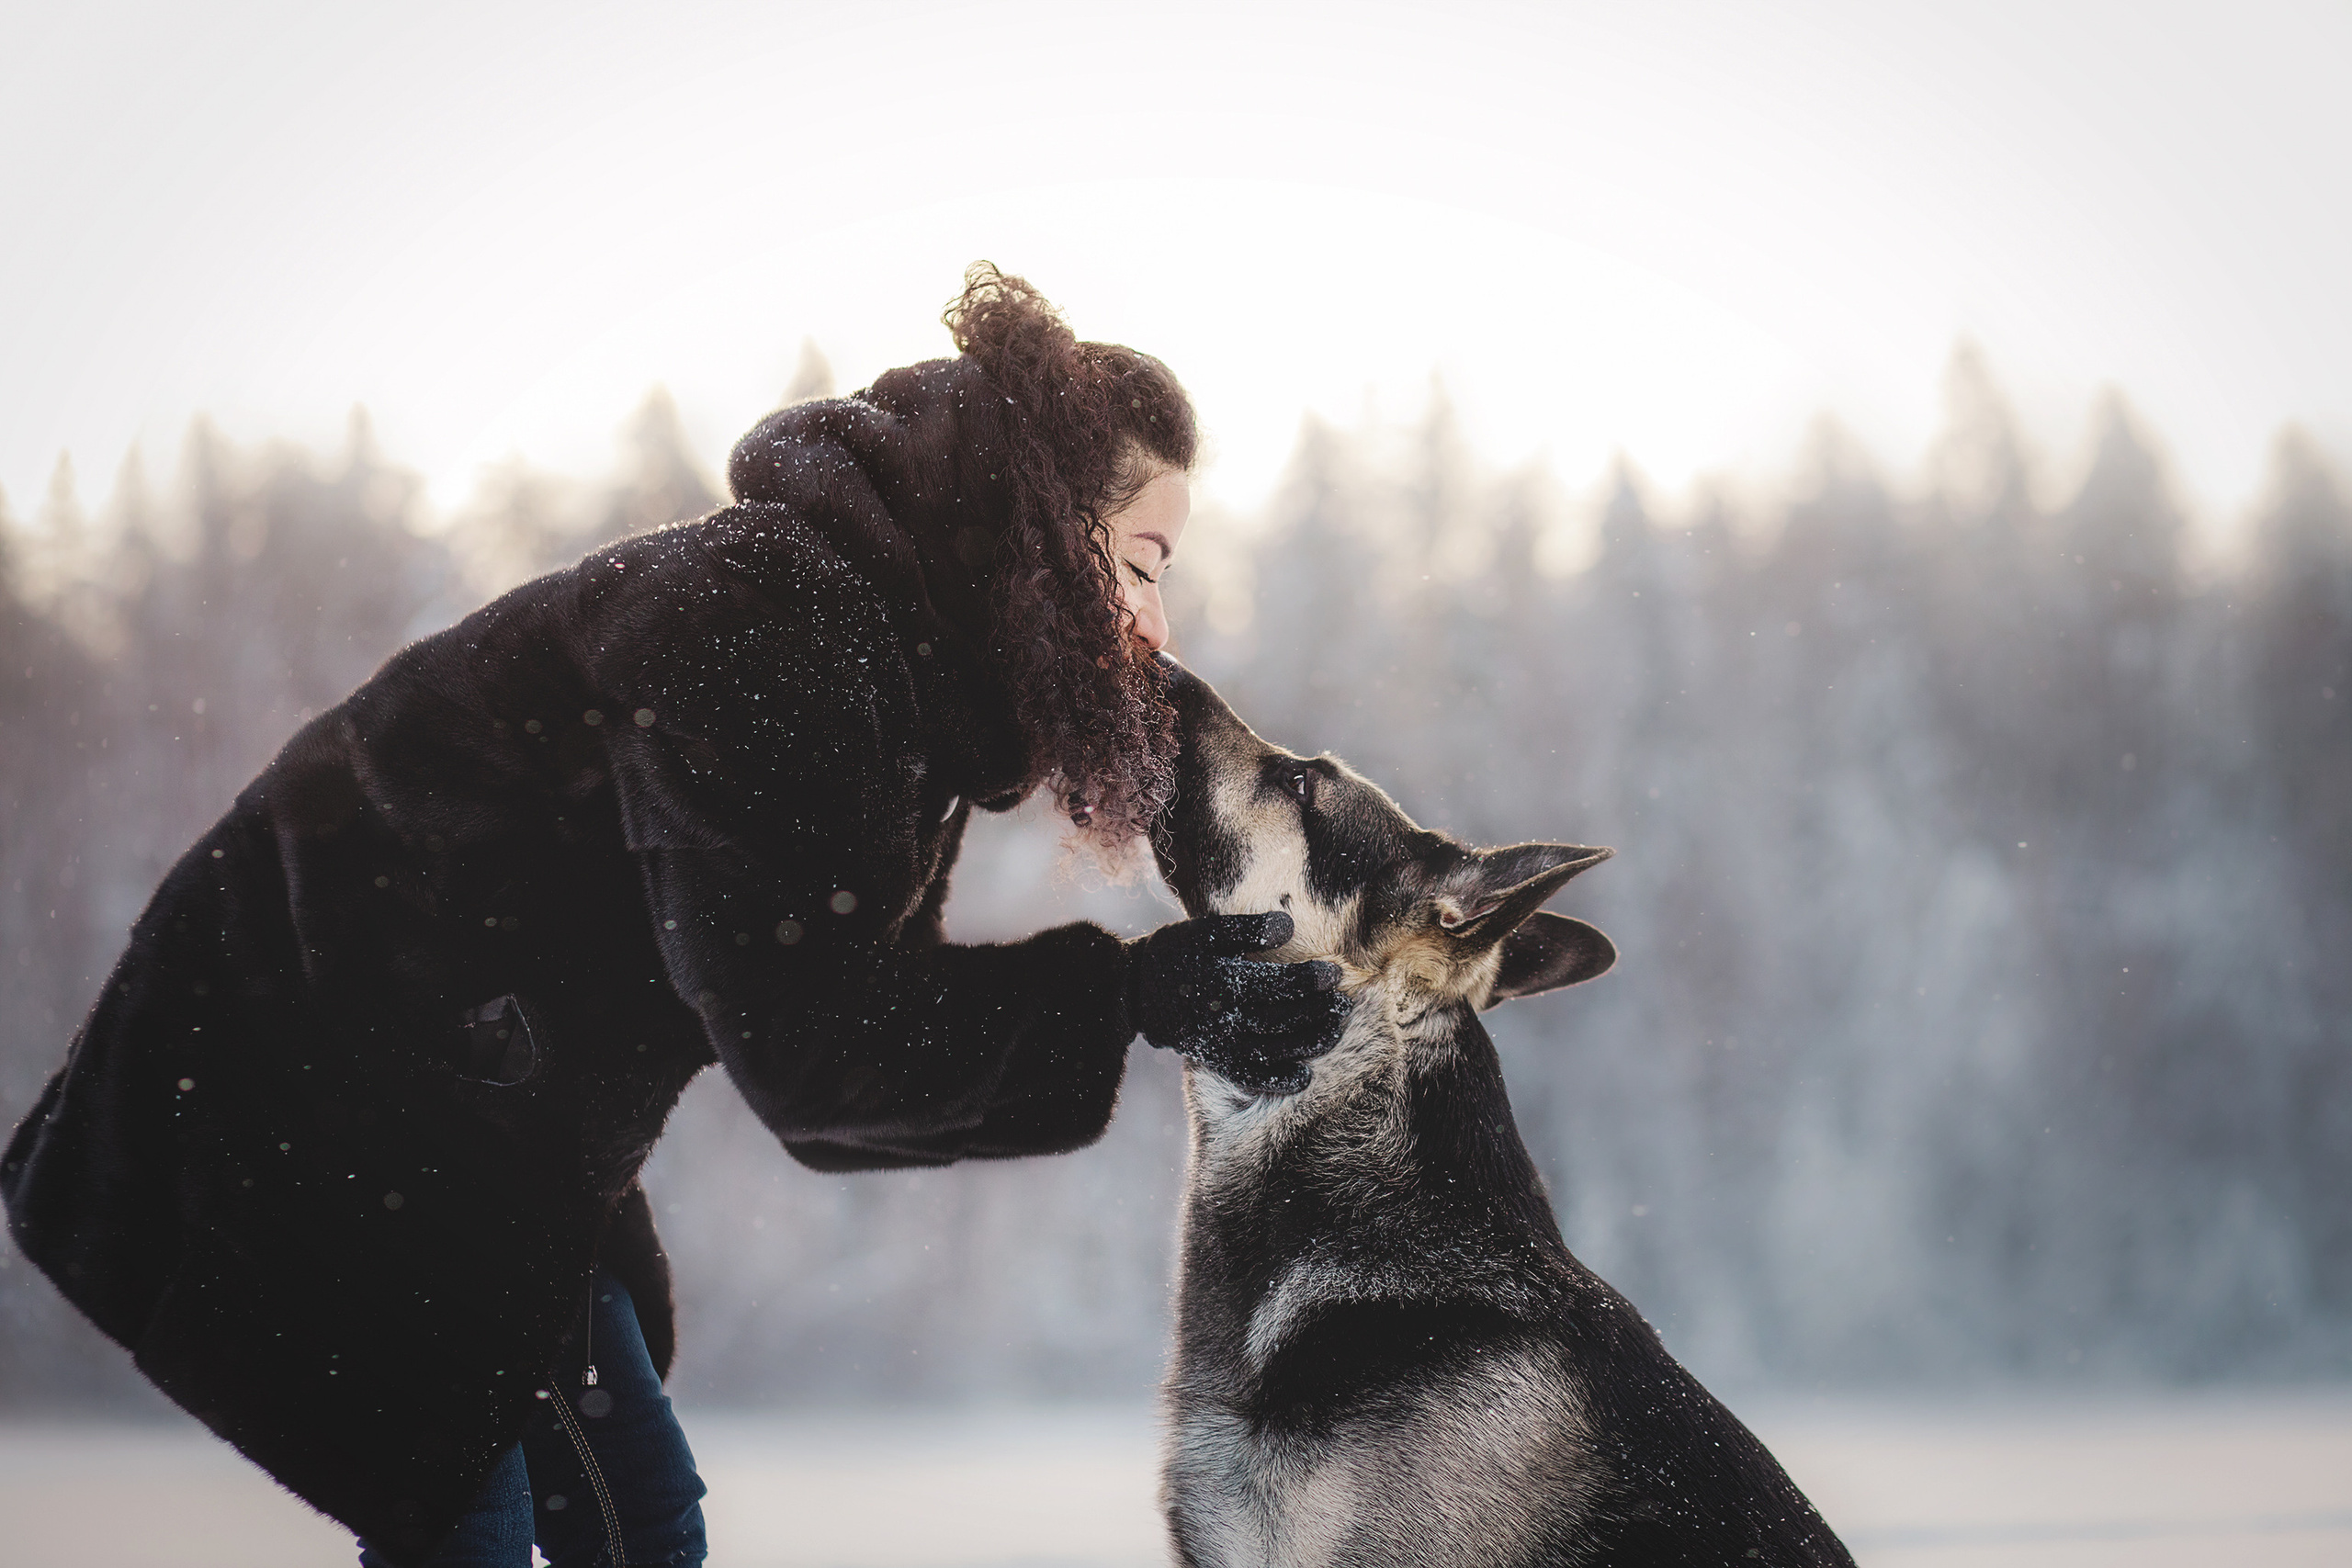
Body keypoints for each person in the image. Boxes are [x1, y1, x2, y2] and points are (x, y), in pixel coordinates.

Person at [0, 265, 1349, 1567]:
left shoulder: (895, 678)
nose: (1155, 629)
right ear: (1040, 532)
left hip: (491, 1126)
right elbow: (816, 1054)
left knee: (638, 1522)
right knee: (466, 1523)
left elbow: (844, 1069)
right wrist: (1128, 996)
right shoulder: (775, 623)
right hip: (318, 1079)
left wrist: (1133, 1003)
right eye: (1142, 559)